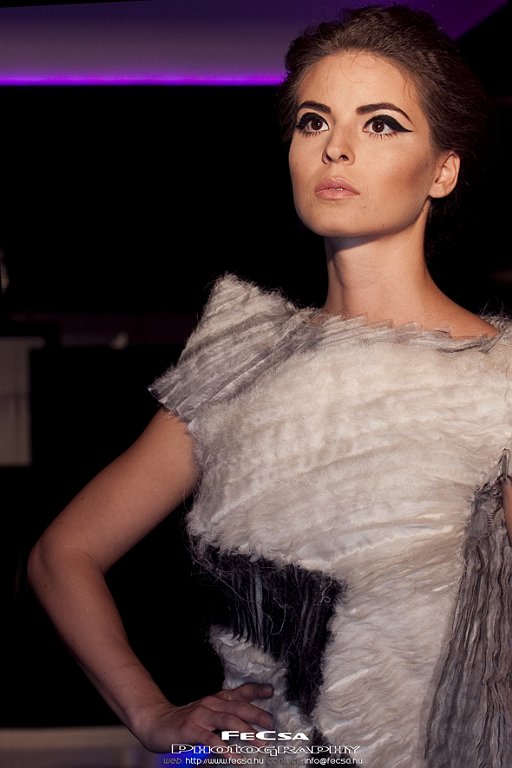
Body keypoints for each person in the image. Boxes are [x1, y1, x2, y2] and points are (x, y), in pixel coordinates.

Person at [28, 4, 512, 767]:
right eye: (314, 122)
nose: (337, 148)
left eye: (381, 124)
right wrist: (152, 715)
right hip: (265, 756)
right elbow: (64, 553)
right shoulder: (241, 359)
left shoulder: (497, 381)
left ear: (442, 170)